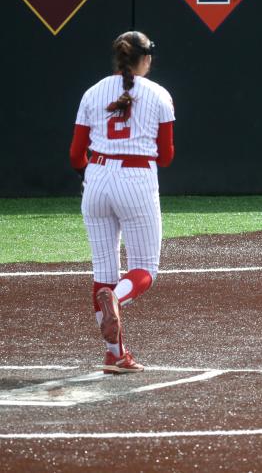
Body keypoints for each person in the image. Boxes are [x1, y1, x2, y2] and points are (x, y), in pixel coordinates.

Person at [68, 31, 176, 374]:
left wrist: (97, 174)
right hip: (137, 178)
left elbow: (75, 156)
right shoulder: (159, 94)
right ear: (145, 59)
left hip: (97, 177)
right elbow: (166, 157)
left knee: (103, 271)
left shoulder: (92, 92)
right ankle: (119, 297)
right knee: (145, 268)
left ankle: (115, 354)